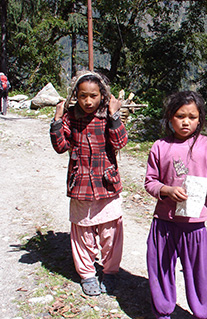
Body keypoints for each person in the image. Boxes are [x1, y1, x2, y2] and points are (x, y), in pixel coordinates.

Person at [144, 91, 207, 319]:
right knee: (160, 268)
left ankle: (201, 312)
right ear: (170, 117)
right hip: (164, 222)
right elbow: (150, 181)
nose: (186, 121)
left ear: (200, 119)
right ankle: (162, 310)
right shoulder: (160, 147)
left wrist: (200, 192)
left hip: (195, 225)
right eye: (180, 116)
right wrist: (167, 191)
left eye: (192, 116)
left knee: (201, 272)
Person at [50, 70, 128, 296]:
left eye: (93, 96)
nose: (88, 101)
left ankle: (111, 272)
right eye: (83, 95)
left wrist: (114, 115)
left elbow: (120, 142)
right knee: (82, 232)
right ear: (76, 95)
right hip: (80, 184)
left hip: (107, 183)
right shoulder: (71, 117)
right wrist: (57, 119)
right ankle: (87, 274)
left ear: (102, 96)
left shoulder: (107, 116)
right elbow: (61, 146)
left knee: (111, 231)